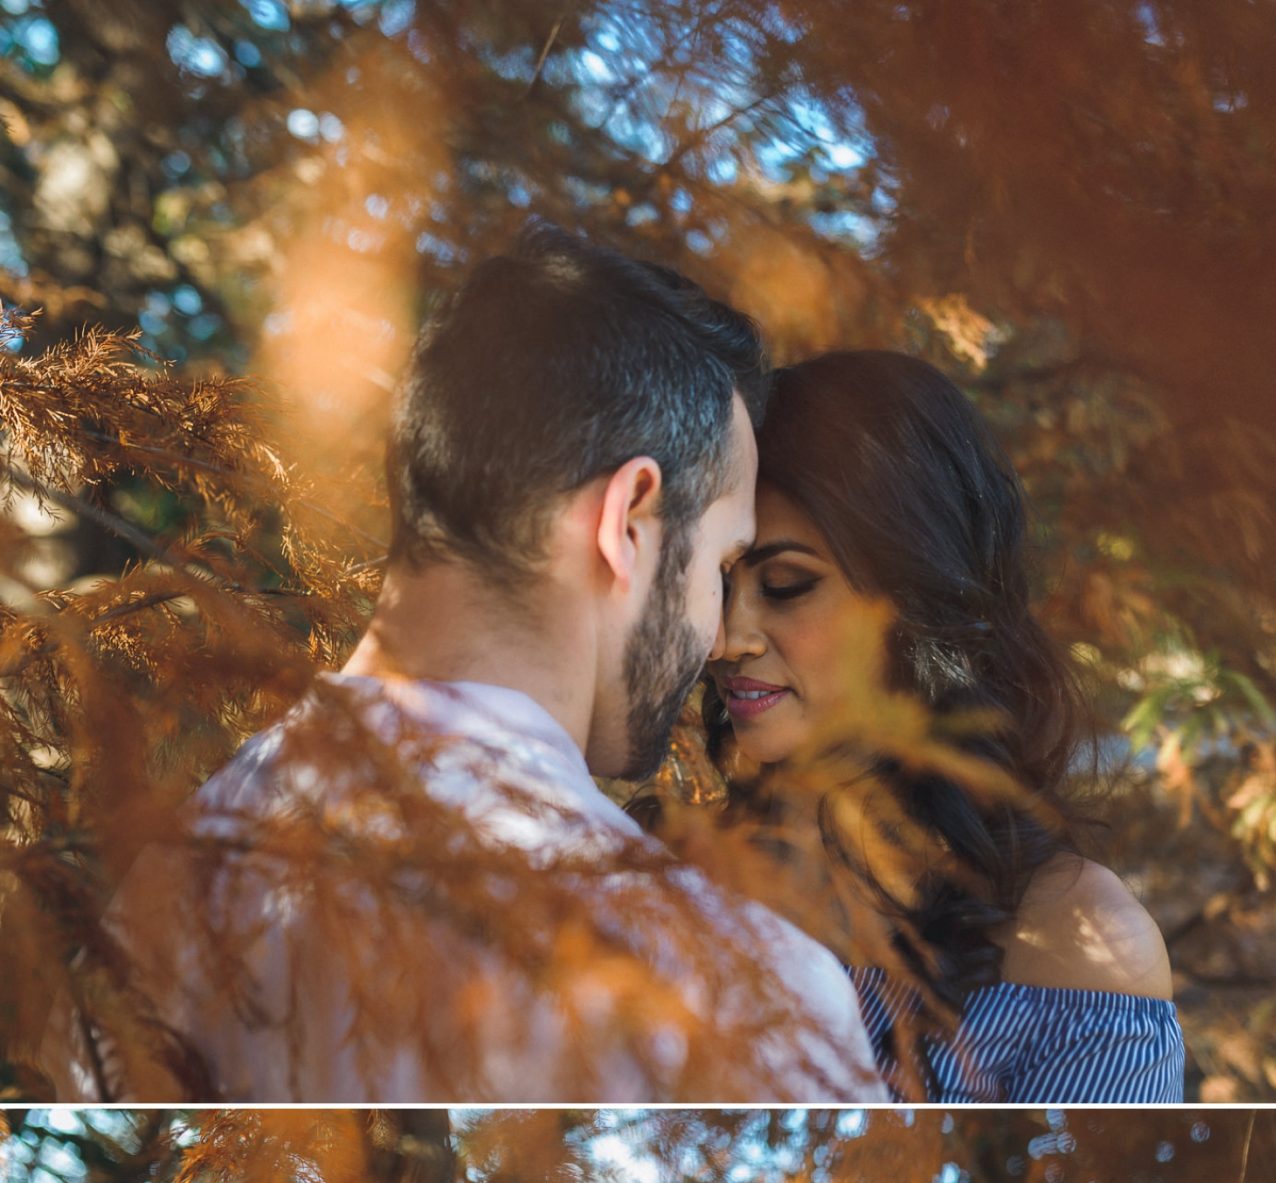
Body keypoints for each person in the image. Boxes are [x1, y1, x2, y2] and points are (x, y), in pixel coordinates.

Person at [36, 224, 883, 1106]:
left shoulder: (156, 898)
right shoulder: (740, 991)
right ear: (627, 519)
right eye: (719, 566)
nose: (716, 642)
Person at [705, 350, 1184, 1105]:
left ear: (917, 600)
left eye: (787, 586)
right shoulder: (655, 877)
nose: (726, 639)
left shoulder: (1079, 950)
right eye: (718, 581)